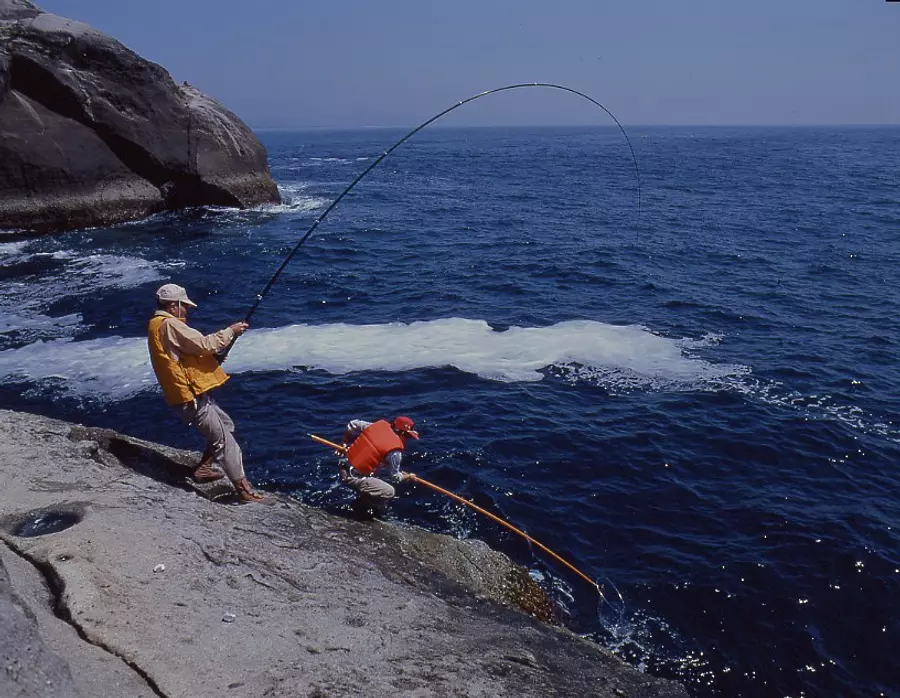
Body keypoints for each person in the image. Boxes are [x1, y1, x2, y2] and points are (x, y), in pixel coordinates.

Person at [147, 283, 268, 504]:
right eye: (184, 306)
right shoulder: (170, 325)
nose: (187, 311)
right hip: (190, 398)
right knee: (226, 442)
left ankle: (204, 468)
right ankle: (244, 490)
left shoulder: (156, 325)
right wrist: (231, 331)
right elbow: (203, 344)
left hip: (190, 394)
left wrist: (211, 362)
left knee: (226, 426)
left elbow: (182, 357)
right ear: (174, 305)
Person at [338, 416, 420, 518]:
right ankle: (360, 507)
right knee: (389, 491)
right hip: (352, 477)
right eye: (408, 436)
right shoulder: (395, 453)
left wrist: (344, 442)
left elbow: (352, 424)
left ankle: (363, 501)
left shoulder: (375, 426)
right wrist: (409, 476)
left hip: (343, 465)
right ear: (402, 433)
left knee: (374, 480)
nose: (408, 439)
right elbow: (395, 477)